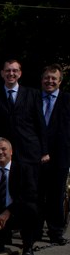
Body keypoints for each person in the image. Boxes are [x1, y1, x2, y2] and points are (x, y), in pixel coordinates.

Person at [0, 60, 47, 242]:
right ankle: (4, 230)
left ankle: (30, 237)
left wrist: (44, 151)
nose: (11, 74)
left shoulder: (33, 94)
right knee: (6, 191)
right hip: (5, 153)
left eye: (15, 71)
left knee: (30, 195)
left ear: (20, 73)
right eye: (8, 71)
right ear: (2, 73)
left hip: (29, 152)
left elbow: (41, 124)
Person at [37, 64, 70, 245]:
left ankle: (55, 232)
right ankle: (35, 230)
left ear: (60, 81)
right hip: (36, 156)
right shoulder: (34, 98)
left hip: (60, 157)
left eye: (53, 78)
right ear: (42, 79)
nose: (50, 81)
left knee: (56, 196)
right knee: (37, 195)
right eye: (47, 78)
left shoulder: (67, 100)